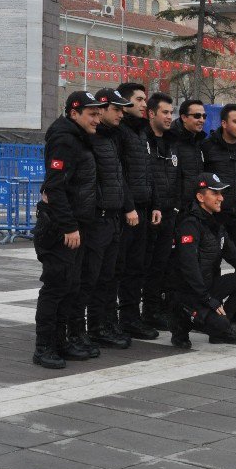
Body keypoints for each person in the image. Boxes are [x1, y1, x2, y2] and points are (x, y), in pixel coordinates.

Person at [32, 91, 102, 369]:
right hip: (60, 228)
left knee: (71, 286)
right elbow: (55, 187)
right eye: (92, 114)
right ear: (74, 114)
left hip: (75, 225)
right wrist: (69, 226)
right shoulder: (64, 139)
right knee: (56, 287)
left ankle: (61, 342)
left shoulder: (79, 137)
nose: (97, 119)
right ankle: (44, 347)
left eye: (98, 114)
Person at [168, 173, 236, 348]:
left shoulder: (214, 223)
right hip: (188, 292)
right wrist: (208, 299)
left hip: (207, 288)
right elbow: (188, 267)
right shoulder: (189, 224)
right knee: (215, 322)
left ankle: (223, 328)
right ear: (200, 197)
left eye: (221, 193)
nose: (221, 198)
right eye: (215, 193)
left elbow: (235, 255)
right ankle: (180, 325)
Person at [78, 88, 134, 351]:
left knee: (111, 275)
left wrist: (126, 207)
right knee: (94, 277)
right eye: (117, 109)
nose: (121, 114)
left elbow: (118, 178)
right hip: (97, 219)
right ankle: (92, 328)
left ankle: (106, 323)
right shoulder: (90, 138)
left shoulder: (111, 138)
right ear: (101, 108)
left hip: (113, 218)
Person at [202, 103, 236, 324]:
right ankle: (211, 309)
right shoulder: (208, 147)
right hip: (215, 216)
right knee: (212, 262)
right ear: (223, 123)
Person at [114, 82, 161, 341]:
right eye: (140, 99)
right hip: (126, 213)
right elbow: (118, 174)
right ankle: (119, 319)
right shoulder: (120, 133)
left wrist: (154, 204)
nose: (145, 104)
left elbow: (147, 172)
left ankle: (132, 318)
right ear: (125, 102)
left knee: (137, 267)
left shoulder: (141, 133)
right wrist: (129, 206)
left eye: (145, 99)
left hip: (143, 209)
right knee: (121, 269)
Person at [142, 92, 179, 330]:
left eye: (171, 112)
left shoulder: (172, 141)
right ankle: (137, 313)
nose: (169, 117)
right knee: (142, 266)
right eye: (164, 112)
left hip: (168, 213)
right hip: (146, 213)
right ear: (151, 113)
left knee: (161, 266)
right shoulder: (141, 139)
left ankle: (154, 311)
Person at [171, 99, 208, 211]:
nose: (201, 120)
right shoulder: (171, 140)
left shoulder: (201, 141)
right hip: (177, 208)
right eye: (197, 116)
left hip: (197, 206)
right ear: (184, 118)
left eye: (204, 116)